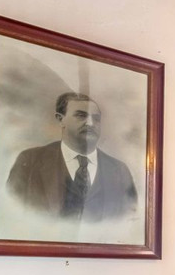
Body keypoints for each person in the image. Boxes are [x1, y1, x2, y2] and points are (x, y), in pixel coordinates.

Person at [7, 92, 137, 220]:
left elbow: (131, 219)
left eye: (96, 118)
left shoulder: (119, 170)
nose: (90, 123)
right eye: (81, 116)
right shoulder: (30, 161)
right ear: (60, 119)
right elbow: (10, 214)